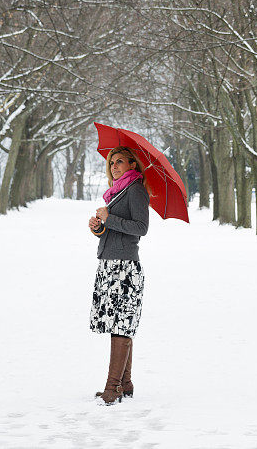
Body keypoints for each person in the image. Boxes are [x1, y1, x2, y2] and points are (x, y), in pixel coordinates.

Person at [88, 146, 150, 405]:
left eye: (120, 161)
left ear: (132, 165)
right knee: (118, 324)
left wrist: (110, 218)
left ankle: (112, 387)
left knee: (121, 325)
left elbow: (141, 228)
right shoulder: (117, 192)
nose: (114, 166)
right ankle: (125, 383)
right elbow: (116, 230)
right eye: (112, 162)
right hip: (110, 265)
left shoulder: (135, 189)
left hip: (125, 268)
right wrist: (99, 228)